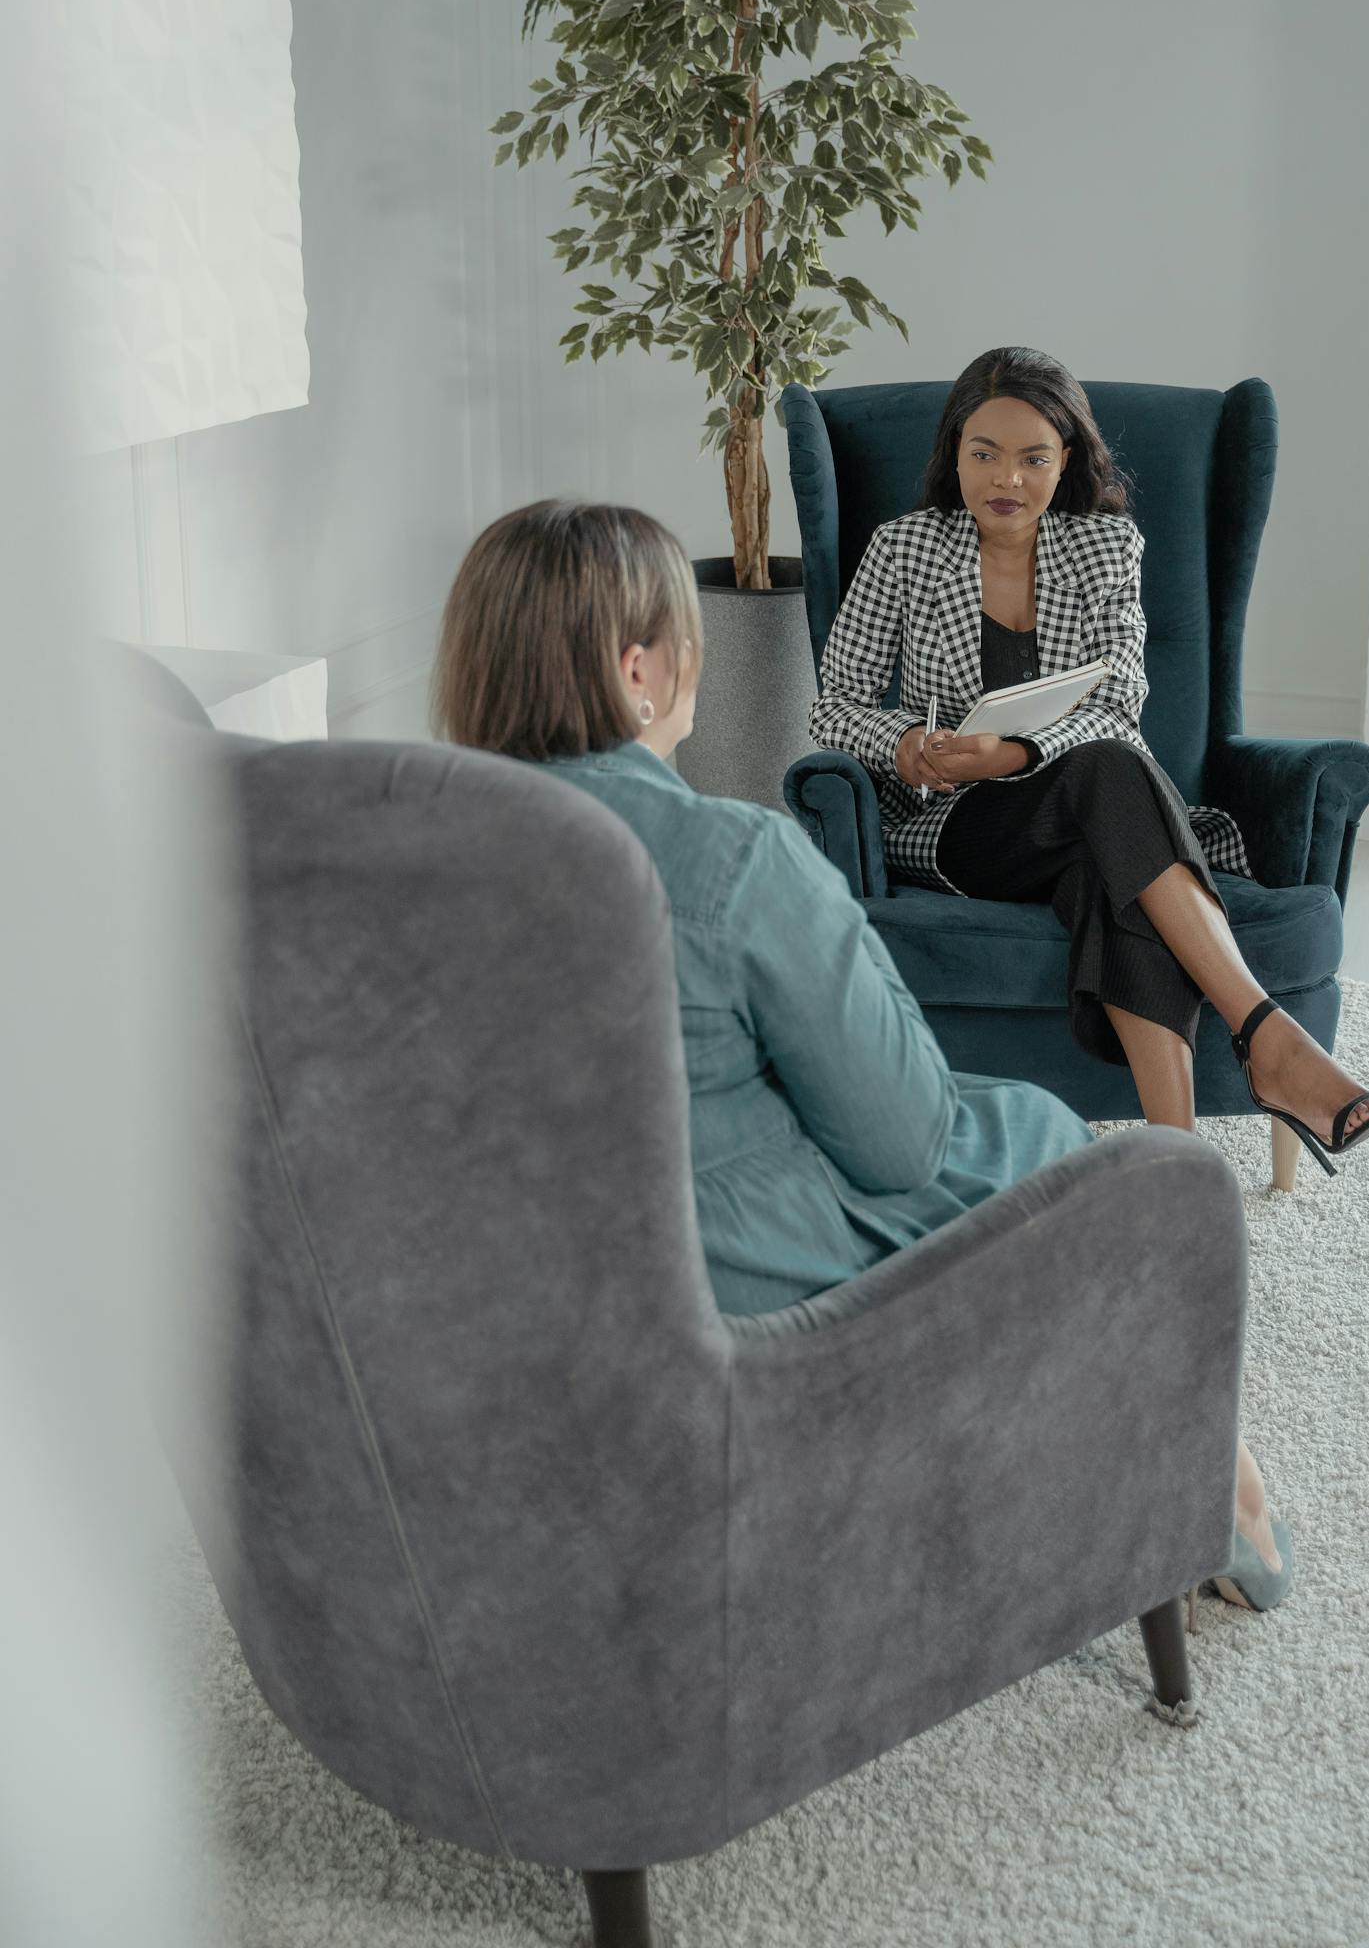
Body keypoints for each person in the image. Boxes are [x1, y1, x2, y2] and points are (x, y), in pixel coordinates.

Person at [432, 495, 1292, 1611]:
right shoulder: (729, 853)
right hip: (728, 1278)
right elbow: (902, 1144)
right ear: (641, 672)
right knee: (1068, 1147)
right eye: (687, 635)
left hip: (528, 1272)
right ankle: (1208, 1491)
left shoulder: (412, 858)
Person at [808, 346, 1369, 1174]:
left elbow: (1118, 699)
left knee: (1106, 869)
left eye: (1032, 458)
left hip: (1086, 817)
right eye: (983, 454)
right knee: (1109, 773)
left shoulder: (1104, 547)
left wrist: (1011, 751)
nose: (1004, 478)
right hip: (955, 826)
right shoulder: (904, 547)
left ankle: (1172, 1167)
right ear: (953, 456)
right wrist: (907, 748)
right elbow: (834, 705)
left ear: (1067, 462)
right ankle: (1267, 1036)